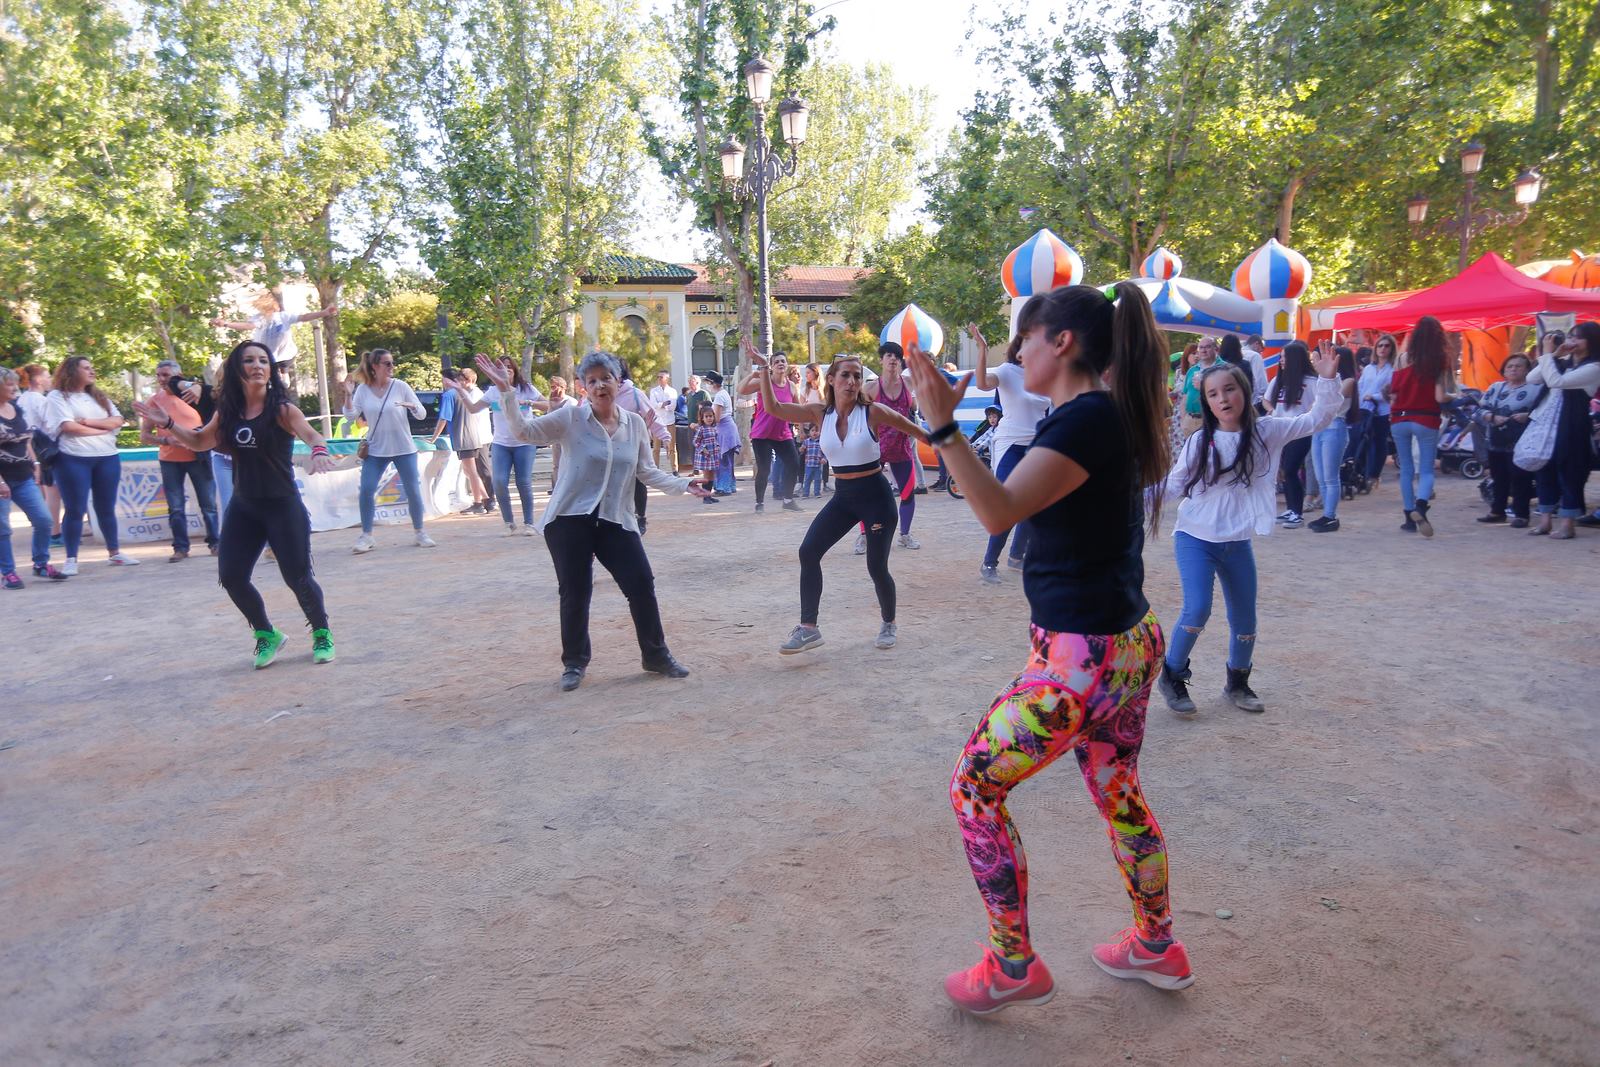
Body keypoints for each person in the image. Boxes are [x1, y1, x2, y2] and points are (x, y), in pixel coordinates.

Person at [905, 282, 1193, 1014]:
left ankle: (1011, 963)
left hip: (1080, 663)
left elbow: (996, 510)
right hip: (1123, 645)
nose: (1016, 354)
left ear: (1060, 342)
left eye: (1024, 340)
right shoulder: (1103, 416)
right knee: (1118, 792)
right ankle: (1157, 943)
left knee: (974, 787)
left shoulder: (1089, 420)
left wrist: (943, 430)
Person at [474, 351, 711, 691]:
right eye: (592, 380)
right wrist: (506, 392)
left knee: (641, 583)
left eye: (606, 378)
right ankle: (574, 663)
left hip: (615, 518)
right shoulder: (570, 418)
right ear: (583, 388)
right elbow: (525, 432)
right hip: (569, 519)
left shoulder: (635, 424)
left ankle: (655, 655)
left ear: (619, 382)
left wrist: (682, 483)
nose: (600, 385)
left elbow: (645, 470)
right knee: (576, 590)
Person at [1157, 350, 1342, 718]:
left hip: (1237, 541)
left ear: (1244, 391)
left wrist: (1326, 379)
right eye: (1213, 394)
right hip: (1195, 537)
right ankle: (1172, 674)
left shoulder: (1268, 431)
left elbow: (1318, 419)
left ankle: (1237, 682)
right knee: (1197, 610)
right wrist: (1125, 498)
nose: (1223, 398)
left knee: (1245, 620)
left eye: (1229, 389)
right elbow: (1173, 485)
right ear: (1207, 402)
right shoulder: (1200, 443)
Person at [134, 341, 338, 668]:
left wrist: (320, 452)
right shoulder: (227, 412)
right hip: (245, 507)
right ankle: (266, 634)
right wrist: (170, 424)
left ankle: (322, 633)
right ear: (237, 369)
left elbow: (313, 435)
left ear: (271, 369)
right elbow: (201, 441)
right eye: (249, 360)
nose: (257, 365)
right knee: (231, 577)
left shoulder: (283, 410)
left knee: (297, 576)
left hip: (282, 505)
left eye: (263, 360)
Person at [751, 352, 928, 654]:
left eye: (857, 376)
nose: (852, 381)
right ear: (831, 380)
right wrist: (766, 370)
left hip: (876, 499)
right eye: (845, 375)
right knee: (808, 551)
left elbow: (908, 425)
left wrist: (945, 444)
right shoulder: (820, 413)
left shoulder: (872, 412)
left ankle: (888, 622)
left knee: (876, 566)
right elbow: (774, 408)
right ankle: (809, 628)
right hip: (844, 497)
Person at [969, 324, 1051, 582]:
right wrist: (982, 349)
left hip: (1035, 446)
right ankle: (989, 563)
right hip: (1010, 445)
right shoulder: (1007, 371)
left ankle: (1017, 556)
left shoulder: (1043, 375)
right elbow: (982, 383)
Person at [44, 356, 138, 573]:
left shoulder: (98, 396)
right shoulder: (58, 396)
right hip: (73, 458)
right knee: (75, 509)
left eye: (92, 367)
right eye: (86, 368)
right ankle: (71, 559)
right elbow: (68, 426)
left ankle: (115, 553)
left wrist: (87, 422)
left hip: (107, 456)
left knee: (106, 507)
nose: (92, 371)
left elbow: (118, 420)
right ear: (71, 371)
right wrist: (103, 430)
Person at [344, 347, 435, 552]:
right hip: (375, 449)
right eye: (387, 363)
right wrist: (348, 395)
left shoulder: (400, 386)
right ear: (375, 367)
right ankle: (366, 536)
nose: (392, 367)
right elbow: (351, 416)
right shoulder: (364, 390)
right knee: (366, 489)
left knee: (413, 490)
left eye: (392, 363)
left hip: (403, 447)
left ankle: (420, 532)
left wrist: (411, 405)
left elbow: (421, 414)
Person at [450, 357, 544, 534]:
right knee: (499, 482)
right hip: (501, 443)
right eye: (502, 367)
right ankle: (508, 523)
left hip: (524, 442)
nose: (506, 370)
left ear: (515, 370)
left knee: (523, 482)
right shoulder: (493, 392)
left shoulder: (526, 389)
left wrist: (530, 403)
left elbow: (547, 405)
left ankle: (529, 523)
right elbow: (473, 408)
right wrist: (460, 391)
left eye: (509, 367)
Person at [139, 360, 222, 560]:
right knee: (175, 506)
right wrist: (167, 440)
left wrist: (196, 437)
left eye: (166, 375)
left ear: (178, 375)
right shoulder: (155, 401)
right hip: (169, 460)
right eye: (158, 375)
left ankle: (216, 543)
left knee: (208, 504)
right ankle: (180, 547)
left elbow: (212, 421)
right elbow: (144, 435)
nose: (161, 379)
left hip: (198, 457)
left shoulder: (192, 395)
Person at [1527, 324, 1600, 539]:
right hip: (1547, 424)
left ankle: (1567, 523)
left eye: (1578, 338)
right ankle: (1545, 521)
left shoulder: (1594, 367)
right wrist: (1555, 356)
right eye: (1571, 336)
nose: (1572, 341)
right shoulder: (1562, 362)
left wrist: (1549, 355)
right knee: (1544, 469)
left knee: (1570, 472)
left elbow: (1556, 382)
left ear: (1592, 341)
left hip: (1572, 425)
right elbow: (1533, 378)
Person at [1384, 316, 1455, 537]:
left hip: (1400, 418)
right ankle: (1421, 507)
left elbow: (1392, 395)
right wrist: (1455, 396)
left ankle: (1408, 518)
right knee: (1426, 469)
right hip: (1426, 419)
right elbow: (1440, 396)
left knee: (1406, 469)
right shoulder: (1439, 361)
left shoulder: (1401, 359)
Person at [0, 367, 70, 587]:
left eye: (14, 383)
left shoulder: (16, 409)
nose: (14, 387)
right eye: (9, 384)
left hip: (23, 477)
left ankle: (40, 564)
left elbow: (26, 439)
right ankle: (8, 572)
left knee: (44, 520)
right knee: (3, 527)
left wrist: (35, 463)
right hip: (2, 479)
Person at [1476, 352, 1541, 527]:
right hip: (1496, 440)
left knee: (1520, 477)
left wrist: (1527, 415)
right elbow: (1478, 410)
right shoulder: (1495, 388)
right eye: (1510, 366)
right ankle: (1497, 511)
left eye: (1518, 366)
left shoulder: (1536, 388)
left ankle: (1521, 514)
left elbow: (1544, 411)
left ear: (1527, 370)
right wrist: (1491, 417)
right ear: (1504, 370)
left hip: (1522, 442)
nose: (1513, 369)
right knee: (1499, 478)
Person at [866, 342, 921, 548]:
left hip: (902, 448)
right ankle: (864, 536)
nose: (893, 359)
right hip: (875, 449)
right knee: (867, 495)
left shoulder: (909, 383)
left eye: (897, 356)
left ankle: (905, 535)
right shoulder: (870, 388)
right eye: (888, 355)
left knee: (908, 493)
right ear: (881, 359)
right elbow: (858, 417)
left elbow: (921, 399)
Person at [738, 350, 804, 513]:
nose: (781, 363)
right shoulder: (764, 382)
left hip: (782, 433)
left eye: (783, 361)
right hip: (762, 434)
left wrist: (801, 429)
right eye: (776, 362)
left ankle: (788, 500)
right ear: (772, 367)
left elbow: (798, 410)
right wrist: (753, 375)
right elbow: (741, 389)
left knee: (794, 463)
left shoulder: (791, 386)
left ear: (786, 365)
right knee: (764, 468)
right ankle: (759, 503)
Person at [1265, 342, 1320, 529]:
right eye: (1280, 357)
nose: (1281, 361)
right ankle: (1291, 509)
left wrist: (1309, 417)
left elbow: (1320, 402)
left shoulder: (1311, 381)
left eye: (1284, 357)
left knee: (1290, 469)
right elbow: (1266, 399)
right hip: (1280, 431)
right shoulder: (1279, 380)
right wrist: (1272, 410)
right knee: (1285, 473)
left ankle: (1297, 512)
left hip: (1299, 431)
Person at [614, 362, 674, 534]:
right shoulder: (604, 394)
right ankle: (618, 517)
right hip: (611, 446)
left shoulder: (634, 394)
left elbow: (651, 415)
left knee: (638, 480)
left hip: (634, 444)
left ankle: (641, 517)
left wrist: (664, 436)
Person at [428, 367, 495, 516]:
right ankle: (486, 499)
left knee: (471, 471)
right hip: (472, 436)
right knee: (470, 470)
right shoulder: (464, 393)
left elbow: (444, 418)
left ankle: (479, 503)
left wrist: (433, 438)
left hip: (464, 437)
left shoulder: (450, 395)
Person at [210, 290, 337, 367]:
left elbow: (304, 317)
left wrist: (324, 313)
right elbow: (246, 326)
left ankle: (284, 372)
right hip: (267, 356)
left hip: (286, 354)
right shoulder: (260, 318)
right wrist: (226, 324)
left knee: (284, 363)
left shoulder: (284, 316)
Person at [1307, 346, 1359, 532]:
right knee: (1321, 476)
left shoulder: (1349, 380)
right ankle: (1327, 514)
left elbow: (1334, 398)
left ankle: (1330, 515)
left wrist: (1326, 378)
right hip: (1321, 427)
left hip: (1335, 426)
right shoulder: (1326, 380)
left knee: (1330, 476)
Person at [15, 363, 64, 547]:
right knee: (53, 493)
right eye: (47, 375)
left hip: (30, 450)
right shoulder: (40, 400)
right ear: (38, 380)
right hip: (45, 449)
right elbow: (52, 425)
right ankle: (55, 533)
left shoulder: (22, 399)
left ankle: (50, 532)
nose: (50, 379)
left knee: (45, 493)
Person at [1358, 334, 1396, 483]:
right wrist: (1361, 400)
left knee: (1379, 442)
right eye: (1380, 345)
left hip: (1382, 410)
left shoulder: (1392, 369)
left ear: (1392, 349)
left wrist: (1374, 396)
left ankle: (1375, 475)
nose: (1383, 349)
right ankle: (1362, 472)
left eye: (1387, 346)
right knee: (1363, 440)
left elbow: (1392, 390)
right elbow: (1360, 386)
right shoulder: (1368, 368)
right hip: (1365, 409)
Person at [704, 371, 740, 495]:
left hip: (724, 429)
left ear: (713, 383)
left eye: (708, 383)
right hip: (728, 428)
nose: (707, 385)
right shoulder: (724, 393)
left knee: (722, 460)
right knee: (728, 460)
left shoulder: (719, 396)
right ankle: (730, 485)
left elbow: (717, 418)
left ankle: (724, 487)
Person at [1179, 336, 1220, 438]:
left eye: (1207, 347)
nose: (1203, 350)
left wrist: (1203, 387)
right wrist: (1184, 419)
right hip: (1190, 421)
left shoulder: (1224, 368)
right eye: (1201, 348)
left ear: (1216, 349)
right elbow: (1185, 396)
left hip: (1212, 420)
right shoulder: (1192, 370)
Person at [691, 403, 722, 505]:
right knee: (706, 476)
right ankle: (705, 497)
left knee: (712, 476)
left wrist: (717, 448)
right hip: (705, 456)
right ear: (702, 418)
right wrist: (703, 449)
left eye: (711, 416)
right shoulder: (701, 429)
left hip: (713, 455)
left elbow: (716, 440)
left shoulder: (714, 428)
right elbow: (695, 441)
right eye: (706, 416)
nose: (709, 418)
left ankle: (709, 495)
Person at [648, 371, 677, 472]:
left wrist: (661, 405)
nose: (659, 379)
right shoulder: (654, 391)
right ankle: (656, 469)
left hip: (669, 421)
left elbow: (673, 406)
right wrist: (663, 404)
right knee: (656, 448)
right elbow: (653, 405)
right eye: (658, 377)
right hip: (658, 422)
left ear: (667, 379)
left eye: (661, 377)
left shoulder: (672, 391)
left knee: (672, 446)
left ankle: (674, 469)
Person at [1242, 335, 1270, 410]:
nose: (1261, 352)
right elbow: (1260, 379)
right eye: (1262, 348)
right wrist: (1265, 393)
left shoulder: (1239, 353)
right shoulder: (1255, 356)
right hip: (1254, 400)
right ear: (1256, 343)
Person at [800, 421, 824, 498]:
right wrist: (801, 449)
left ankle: (817, 493)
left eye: (816, 431)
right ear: (809, 432)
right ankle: (805, 493)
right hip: (809, 464)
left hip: (818, 465)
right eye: (812, 430)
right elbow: (802, 451)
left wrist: (824, 459)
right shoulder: (806, 442)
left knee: (817, 480)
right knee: (807, 479)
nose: (814, 432)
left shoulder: (821, 442)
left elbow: (825, 453)